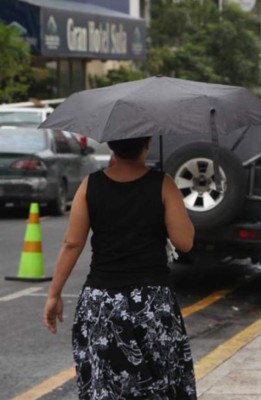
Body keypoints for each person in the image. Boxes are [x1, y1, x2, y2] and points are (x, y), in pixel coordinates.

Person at [43, 137, 197, 399]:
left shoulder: (90, 185)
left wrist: (54, 295)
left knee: (105, 389)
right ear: (147, 145)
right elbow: (185, 242)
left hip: (101, 304)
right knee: (160, 385)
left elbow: (72, 244)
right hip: (152, 304)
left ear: (112, 146)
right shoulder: (163, 184)